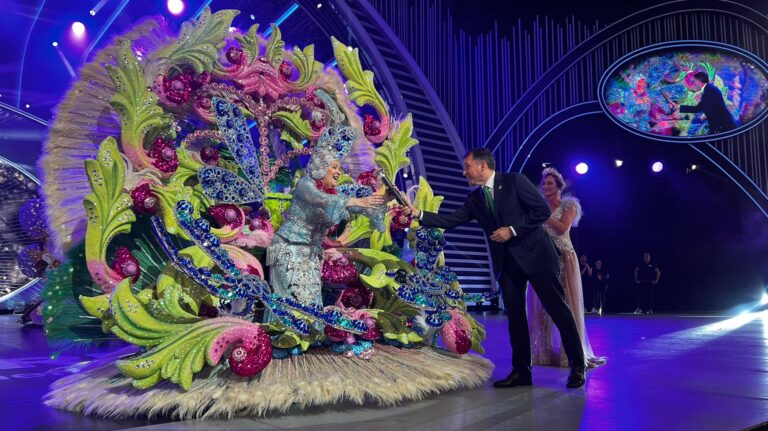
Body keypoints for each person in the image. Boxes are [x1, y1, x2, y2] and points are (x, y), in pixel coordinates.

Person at [403, 148, 586, 389]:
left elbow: (541, 211)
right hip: (507, 265)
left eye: (467, 166)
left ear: (482, 165)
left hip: (537, 257)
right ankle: (521, 372)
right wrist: (419, 214)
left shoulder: (514, 181)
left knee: (558, 311)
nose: (464, 171)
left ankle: (577, 367)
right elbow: (451, 220)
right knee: (516, 320)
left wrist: (512, 230)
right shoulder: (475, 199)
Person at [268, 128, 385, 308]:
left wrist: (382, 199)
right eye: (335, 167)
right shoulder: (305, 185)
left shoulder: (334, 193)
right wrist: (358, 200)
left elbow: (352, 204)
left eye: (340, 168)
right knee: (291, 304)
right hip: (289, 248)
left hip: (311, 254)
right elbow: (324, 200)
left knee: (312, 305)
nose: (339, 172)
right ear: (322, 167)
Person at [527, 167, 604, 368]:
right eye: (544, 183)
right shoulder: (539, 207)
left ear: (559, 186)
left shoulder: (569, 205)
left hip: (564, 258)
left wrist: (542, 214)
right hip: (543, 259)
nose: (545, 186)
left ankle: (569, 353)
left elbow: (561, 229)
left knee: (566, 306)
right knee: (541, 309)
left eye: (550, 183)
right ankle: (542, 353)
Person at [671, 71, 737, 134]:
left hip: (724, 126)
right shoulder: (708, 90)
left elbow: (700, 108)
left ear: (699, 82)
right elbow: (698, 108)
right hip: (720, 126)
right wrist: (678, 107)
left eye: (694, 81)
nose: (693, 84)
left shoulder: (710, 90)